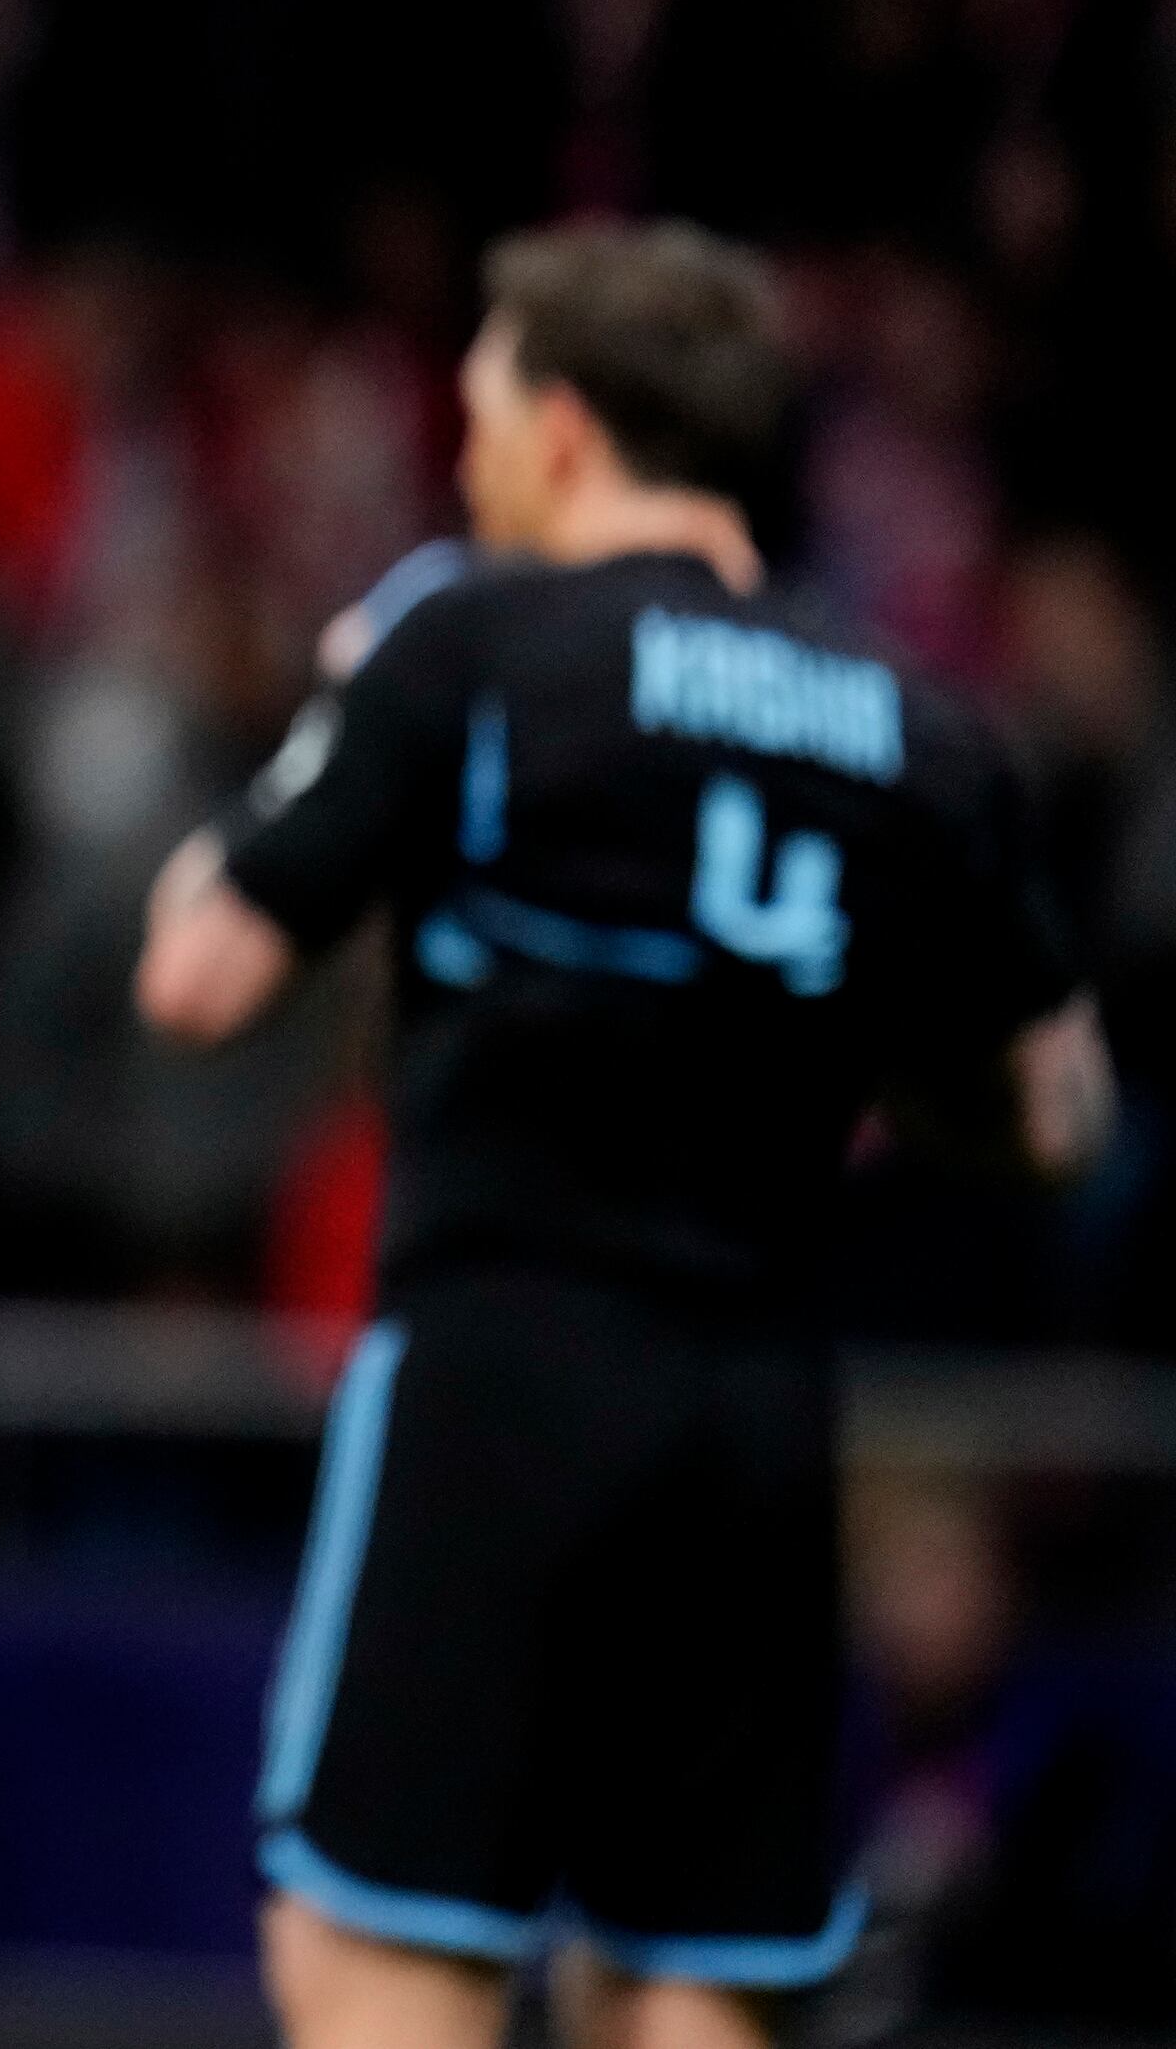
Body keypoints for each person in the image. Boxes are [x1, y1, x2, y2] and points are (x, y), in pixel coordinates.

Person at [137, 222, 1112, 2049]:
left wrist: (327, 729)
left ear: (570, 431)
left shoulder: (472, 637)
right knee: (694, 1987)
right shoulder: (920, 728)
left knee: (377, 1962)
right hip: (755, 1414)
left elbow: (201, 972)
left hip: (498, 1378)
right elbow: (1055, 1112)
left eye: (487, 409)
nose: (465, 456)